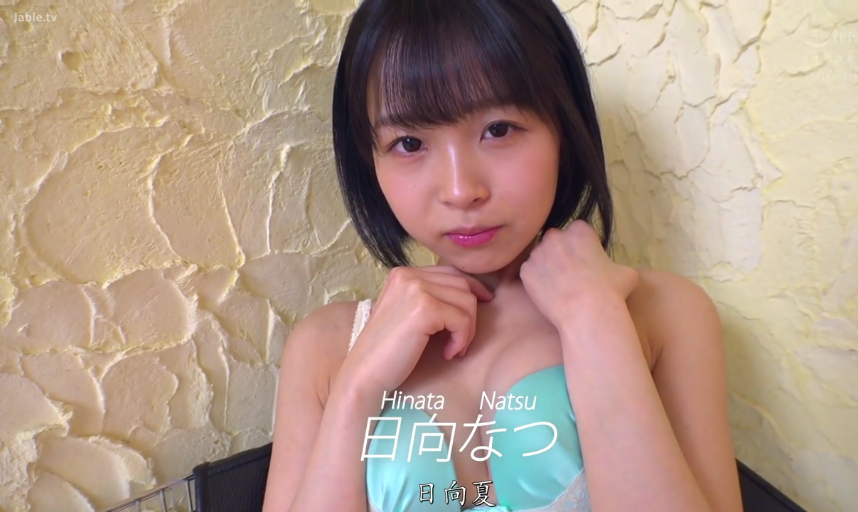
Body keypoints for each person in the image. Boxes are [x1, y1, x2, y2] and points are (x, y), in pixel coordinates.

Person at [262, 1, 743, 511]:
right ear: (370, 160)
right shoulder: (325, 348)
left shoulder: (664, 314)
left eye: (498, 129)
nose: (460, 190)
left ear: (563, 128)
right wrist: (357, 388)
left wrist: (595, 323)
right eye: (409, 142)